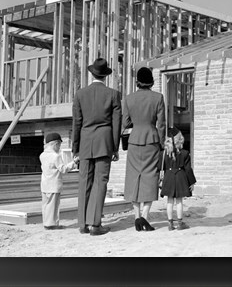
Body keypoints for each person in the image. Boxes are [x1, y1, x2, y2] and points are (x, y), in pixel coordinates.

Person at [72, 58, 122, 236]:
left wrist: (75, 149)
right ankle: (95, 224)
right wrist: (115, 147)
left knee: (84, 181)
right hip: (104, 142)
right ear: (105, 76)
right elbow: (117, 123)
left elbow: (76, 123)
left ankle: (82, 224)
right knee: (101, 182)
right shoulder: (113, 94)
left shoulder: (80, 94)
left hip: (85, 142)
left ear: (92, 73)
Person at [122, 67, 165, 232]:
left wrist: (137, 122)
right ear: (152, 82)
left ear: (137, 82)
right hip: (152, 140)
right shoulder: (158, 98)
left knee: (133, 177)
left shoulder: (128, 98)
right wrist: (161, 144)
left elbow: (125, 123)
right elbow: (161, 124)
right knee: (150, 177)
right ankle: (145, 217)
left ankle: (136, 216)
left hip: (134, 141)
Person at [39, 132, 79, 230]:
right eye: (59, 145)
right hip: (54, 185)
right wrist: (74, 162)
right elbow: (63, 169)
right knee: (54, 206)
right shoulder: (56, 156)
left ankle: (46, 223)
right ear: (55, 144)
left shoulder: (42, 155)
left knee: (46, 205)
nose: (59, 148)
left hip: (44, 184)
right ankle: (52, 225)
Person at [160, 127, 197, 231]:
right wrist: (192, 182)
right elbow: (188, 169)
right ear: (179, 139)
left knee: (169, 201)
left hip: (168, 177)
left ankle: (170, 224)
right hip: (180, 176)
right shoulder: (185, 153)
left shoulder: (163, 153)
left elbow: (160, 167)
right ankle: (180, 223)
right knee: (179, 201)